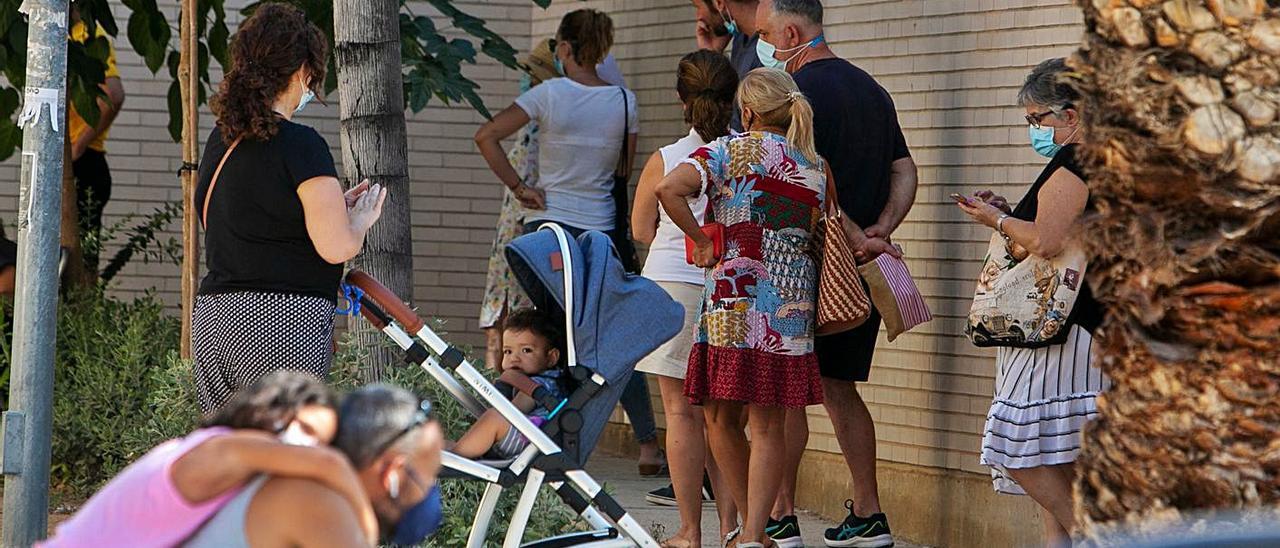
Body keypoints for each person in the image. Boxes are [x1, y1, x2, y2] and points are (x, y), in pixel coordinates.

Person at [658, 67, 872, 548]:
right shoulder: (815, 165)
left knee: (718, 419)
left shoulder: (726, 150)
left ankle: (747, 527)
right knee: (770, 425)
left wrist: (700, 240)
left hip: (733, 304)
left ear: (748, 111)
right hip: (790, 309)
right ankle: (755, 534)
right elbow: (824, 228)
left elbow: (666, 189)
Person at [752, 1, 918, 546]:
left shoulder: (793, 100)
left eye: (765, 36)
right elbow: (904, 167)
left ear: (792, 32)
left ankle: (780, 513)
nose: (764, 48)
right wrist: (879, 233)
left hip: (806, 266)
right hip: (863, 268)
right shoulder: (872, 89)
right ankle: (869, 512)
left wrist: (850, 234)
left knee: (787, 392)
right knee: (841, 388)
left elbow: (810, 184)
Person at [475, 8, 665, 477]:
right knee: (609, 341)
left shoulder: (548, 94)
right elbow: (623, 168)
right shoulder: (624, 101)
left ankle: (528, 431)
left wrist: (521, 187)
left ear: (563, 48)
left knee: (536, 336)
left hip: (548, 234)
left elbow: (486, 136)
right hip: (599, 237)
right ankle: (646, 443)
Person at [192, 3, 387, 413]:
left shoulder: (221, 140)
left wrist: (333, 208)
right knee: (285, 457)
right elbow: (336, 247)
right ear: (302, 70)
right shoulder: (302, 144)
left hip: (213, 318)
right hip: (281, 320)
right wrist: (359, 220)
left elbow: (250, 220)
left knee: (233, 459)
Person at [956, 57, 1110, 548]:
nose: (1035, 130)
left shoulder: (1077, 161)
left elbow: (1046, 240)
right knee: (1062, 449)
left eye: (1038, 118)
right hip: (1084, 322)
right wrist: (1007, 211)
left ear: (1073, 112)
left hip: (1061, 327)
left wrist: (994, 221)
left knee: (1019, 445)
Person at [40, 372, 378, 548]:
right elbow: (330, 466)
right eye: (304, 427)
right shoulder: (224, 450)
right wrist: (366, 530)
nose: (308, 446)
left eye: (318, 440)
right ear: (271, 408)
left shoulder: (217, 456)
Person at [631, 50, 741, 547]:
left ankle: (689, 532)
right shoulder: (748, 154)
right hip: (732, 290)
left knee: (680, 414)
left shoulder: (668, 158)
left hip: (671, 286)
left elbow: (640, 229)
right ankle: (734, 528)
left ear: (682, 99)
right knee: (723, 418)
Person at [184, 384, 446, 548]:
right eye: (430, 475)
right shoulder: (316, 502)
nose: (432, 489)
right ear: (392, 474)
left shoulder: (301, 480)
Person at [479, 42, 554, 371]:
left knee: (513, 331)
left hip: (523, 232)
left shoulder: (544, 127)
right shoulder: (532, 124)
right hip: (512, 232)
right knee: (500, 331)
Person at [450, 308, 567, 459]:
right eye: (508, 351)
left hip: (530, 441)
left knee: (493, 418)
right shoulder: (529, 378)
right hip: (525, 436)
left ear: (551, 357)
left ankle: (456, 458)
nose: (514, 358)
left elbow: (512, 411)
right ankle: (453, 452)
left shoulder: (539, 384)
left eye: (526, 350)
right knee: (446, 444)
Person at [67, 5, 126, 274]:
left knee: (81, 263)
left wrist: (78, 145)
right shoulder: (54, 32)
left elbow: (113, 95)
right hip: (74, 159)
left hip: (83, 160)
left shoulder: (88, 37)